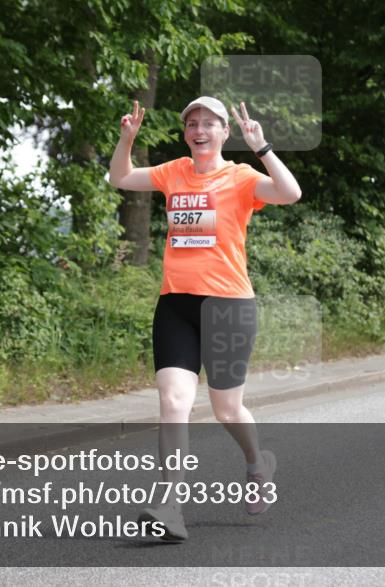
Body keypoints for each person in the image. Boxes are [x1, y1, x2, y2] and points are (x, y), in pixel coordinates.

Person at [108, 96, 301, 541]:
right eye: (192, 123)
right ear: (186, 133)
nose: (199, 130)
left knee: (225, 409)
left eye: (209, 123)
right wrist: (127, 140)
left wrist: (262, 147)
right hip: (176, 305)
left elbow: (290, 193)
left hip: (228, 306)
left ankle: (257, 463)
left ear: (224, 132)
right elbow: (120, 177)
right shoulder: (173, 171)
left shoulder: (241, 177)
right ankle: (171, 506)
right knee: (174, 402)